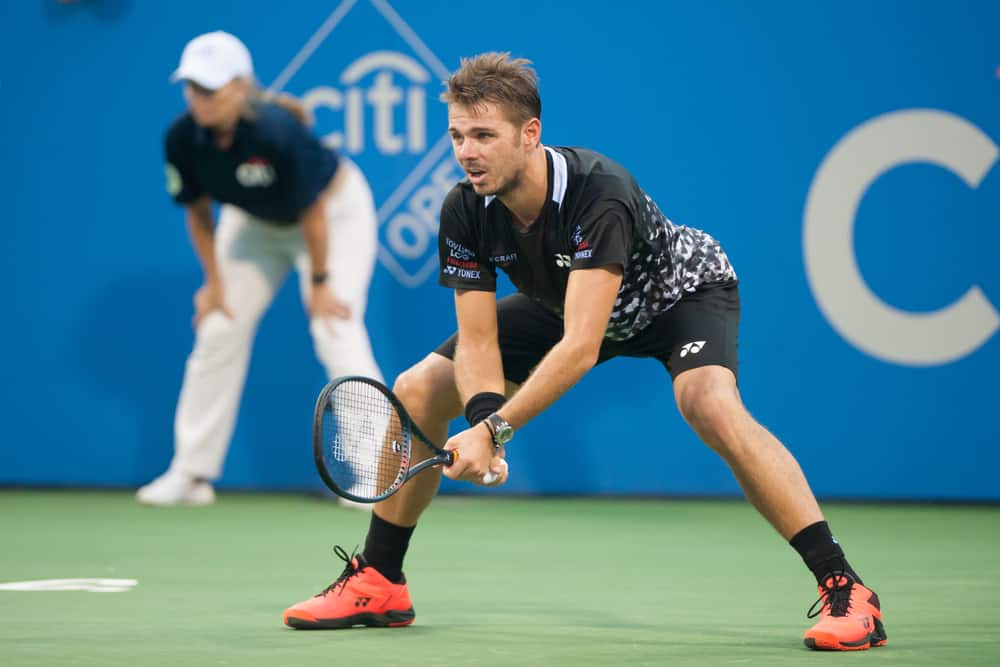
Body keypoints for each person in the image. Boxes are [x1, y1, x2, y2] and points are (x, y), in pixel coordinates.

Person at [281, 52, 887, 651]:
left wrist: (496, 432)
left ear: (529, 135)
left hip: (675, 298)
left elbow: (580, 345)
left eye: (484, 136)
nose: (467, 152)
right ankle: (381, 579)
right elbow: (478, 339)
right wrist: (482, 417)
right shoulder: (465, 207)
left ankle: (845, 586)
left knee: (707, 401)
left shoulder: (599, 192)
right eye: (458, 136)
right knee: (417, 389)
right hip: (562, 301)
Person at [137, 31, 382, 509]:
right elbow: (197, 212)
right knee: (218, 326)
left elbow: (311, 211)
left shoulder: (277, 131)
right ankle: (191, 473)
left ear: (239, 88)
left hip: (333, 215)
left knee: (334, 326)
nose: (198, 100)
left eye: (209, 89)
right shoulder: (181, 137)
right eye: (192, 88)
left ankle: (375, 471)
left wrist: (319, 283)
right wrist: (213, 284)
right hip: (253, 225)